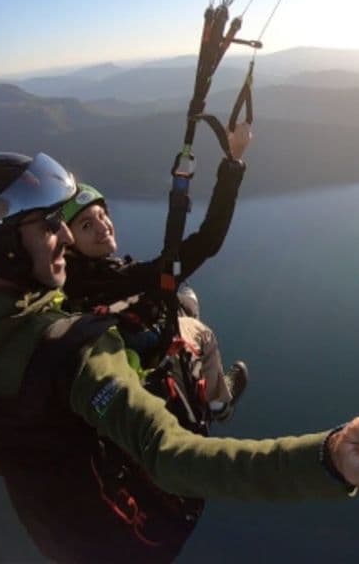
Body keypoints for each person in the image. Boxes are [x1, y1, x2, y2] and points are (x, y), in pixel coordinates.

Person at [0, 151, 359, 563]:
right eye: (48, 227)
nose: (65, 237)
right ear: (4, 248)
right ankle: (216, 401)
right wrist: (329, 458)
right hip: (127, 538)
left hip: (57, 533)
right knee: (189, 326)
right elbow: (172, 457)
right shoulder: (80, 353)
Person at [59, 123, 252, 421]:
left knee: (183, 294)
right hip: (143, 352)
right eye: (87, 225)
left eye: (101, 215)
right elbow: (208, 241)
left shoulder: (62, 277)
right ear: (68, 240)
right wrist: (234, 162)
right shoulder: (120, 278)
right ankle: (218, 403)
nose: (102, 227)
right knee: (200, 330)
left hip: (112, 344)